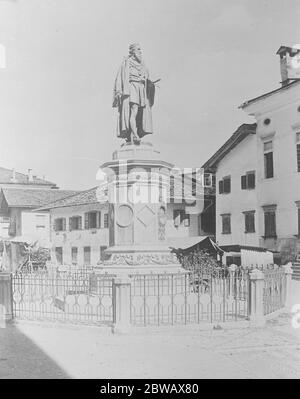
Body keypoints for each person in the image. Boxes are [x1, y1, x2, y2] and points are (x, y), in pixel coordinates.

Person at [113, 43, 156, 143]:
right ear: (133, 51)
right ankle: (135, 134)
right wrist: (119, 91)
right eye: (138, 49)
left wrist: (149, 84)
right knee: (134, 111)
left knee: (141, 113)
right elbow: (119, 78)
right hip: (132, 88)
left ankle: (135, 133)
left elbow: (147, 77)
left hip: (141, 89)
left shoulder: (142, 64)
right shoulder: (126, 63)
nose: (140, 52)